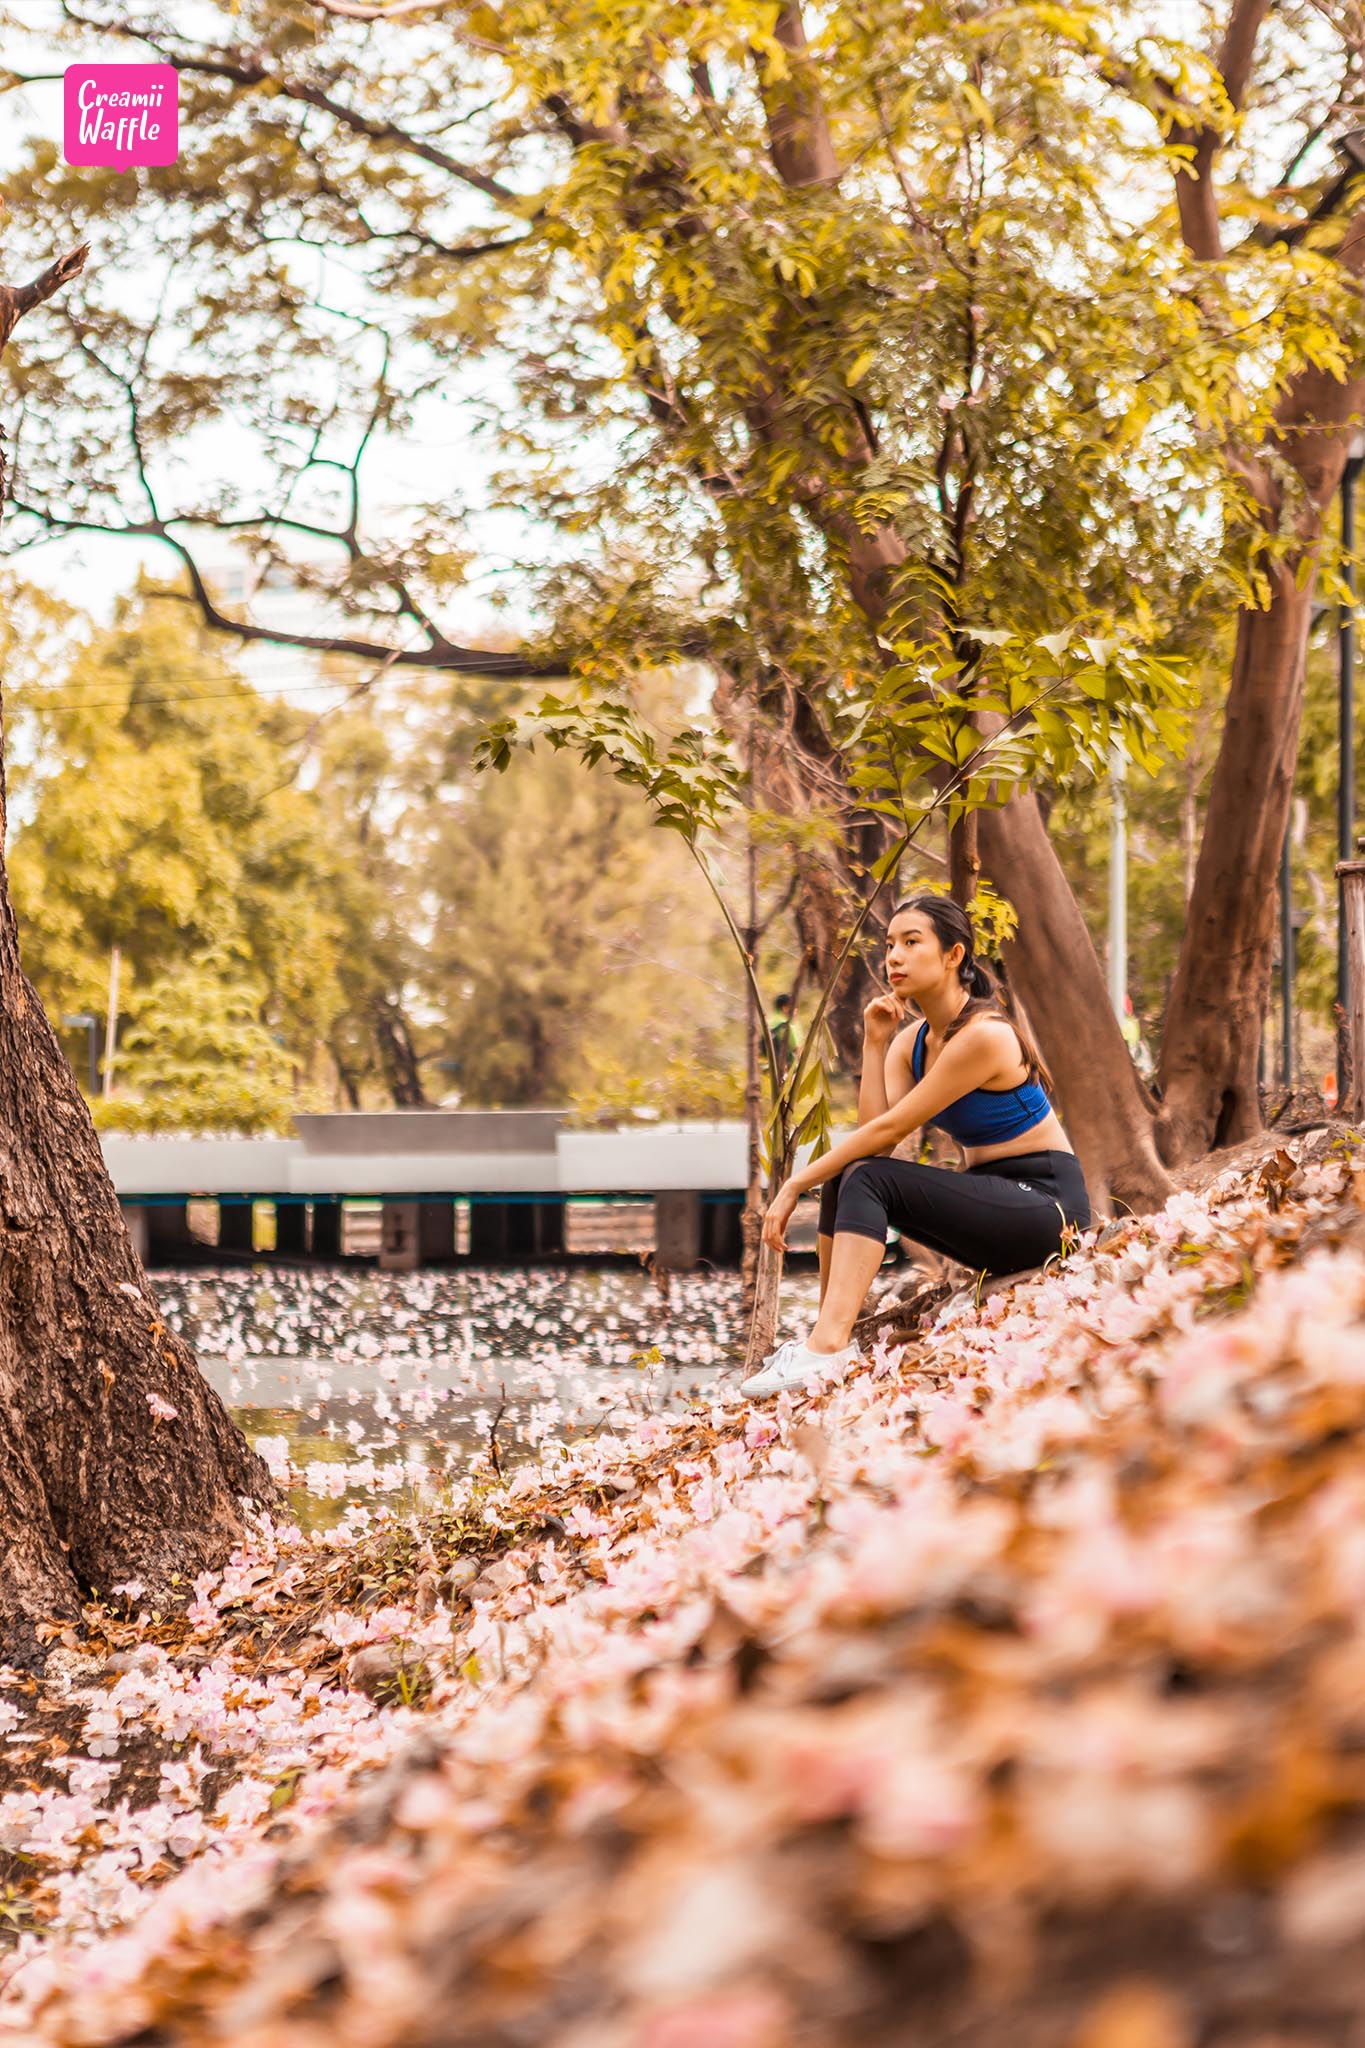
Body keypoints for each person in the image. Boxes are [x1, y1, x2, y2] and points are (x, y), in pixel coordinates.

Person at [741, 893, 1091, 1398]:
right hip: (997, 1199)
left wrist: (795, 1181)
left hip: (1048, 1207)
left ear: (954, 955)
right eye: (889, 945)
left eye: (911, 942)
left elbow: (884, 1135)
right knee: (852, 1172)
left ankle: (825, 1348)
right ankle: (827, 1338)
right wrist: (875, 1043)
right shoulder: (912, 1043)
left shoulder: (984, 1035)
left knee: (860, 1174)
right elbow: (873, 1146)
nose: (894, 958)